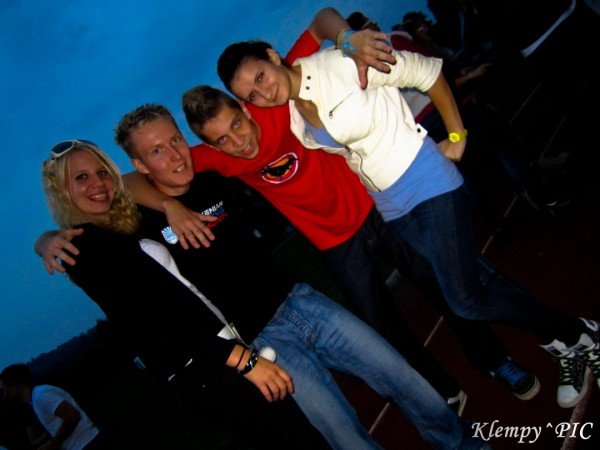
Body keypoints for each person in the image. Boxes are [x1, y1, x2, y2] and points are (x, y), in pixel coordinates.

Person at [215, 23, 600, 410]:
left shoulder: (342, 62)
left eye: (260, 77)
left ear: (272, 56)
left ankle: (572, 332)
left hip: (426, 182)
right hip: (391, 205)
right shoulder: (294, 114)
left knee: (464, 299)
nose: (263, 92)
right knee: (477, 281)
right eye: (251, 95)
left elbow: (425, 71)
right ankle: (565, 339)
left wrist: (456, 136)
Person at [37, 135, 487, 450]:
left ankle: (462, 444)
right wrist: (47, 239)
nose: (173, 153)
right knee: (341, 434)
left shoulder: (209, 176)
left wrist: (172, 200)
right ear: (139, 165)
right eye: (157, 150)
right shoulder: (137, 218)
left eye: (175, 139)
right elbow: (116, 224)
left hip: (299, 300)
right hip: (256, 339)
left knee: (402, 377)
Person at [0, 364, 103, 450]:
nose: (4, 394)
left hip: (87, 443)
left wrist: (53, 444)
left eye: (4, 389)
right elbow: (58, 424)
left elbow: (72, 416)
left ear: (15, 384)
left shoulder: (41, 396)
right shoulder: (35, 400)